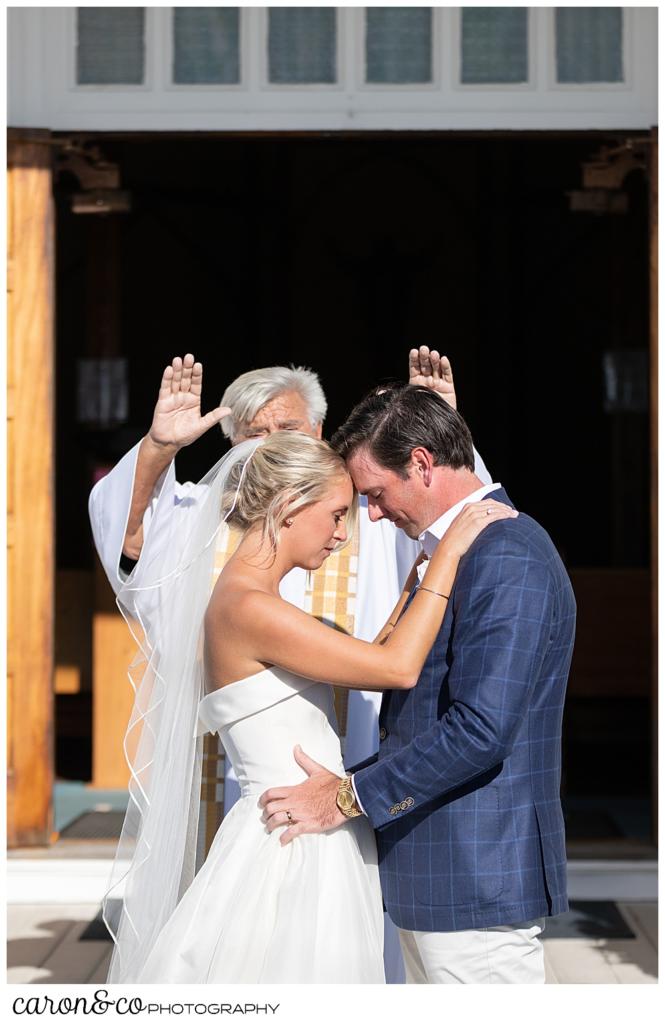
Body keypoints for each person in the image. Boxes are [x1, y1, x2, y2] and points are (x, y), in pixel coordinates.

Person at [89, 348, 492, 982]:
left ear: (319, 436)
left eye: (288, 433)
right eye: (255, 436)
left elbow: (446, 512)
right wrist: (158, 451)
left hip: (333, 800)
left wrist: (433, 432)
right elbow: (129, 548)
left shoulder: (365, 506)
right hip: (281, 817)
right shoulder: (211, 538)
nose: (343, 530)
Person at [260, 384, 576, 985]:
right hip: (438, 873)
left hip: (475, 879)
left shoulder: (506, 553)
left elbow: (480, 731)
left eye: (376, 494)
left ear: (423, 463)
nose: (372, 514)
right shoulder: (459, 552)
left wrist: (347, 796)